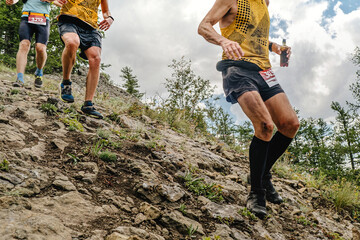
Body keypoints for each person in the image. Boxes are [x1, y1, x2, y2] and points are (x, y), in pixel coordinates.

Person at [198, 0, 300, 218]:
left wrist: (275, 47)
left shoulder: (264, 2)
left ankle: (261, 174)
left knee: (290, 124)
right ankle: (257, 192)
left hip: (264, 71)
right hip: (237, 68)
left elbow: (256, 36)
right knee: (265, 126)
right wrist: (223, 41)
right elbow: (204, 26)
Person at [57, 0, 114, 119]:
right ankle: (66, 83)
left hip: (90, 27)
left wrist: (109, 18)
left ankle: (88, 104)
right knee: (72, 43)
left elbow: (106, 11)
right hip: (69, 19)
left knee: (96, 59)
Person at [6, 0, 66, 88]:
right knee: (24, 45)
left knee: (40, 48)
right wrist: (12, 1)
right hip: (27, 17)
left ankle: (39, 72)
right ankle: (20, 78)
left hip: (43, 19)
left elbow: (62, 3)